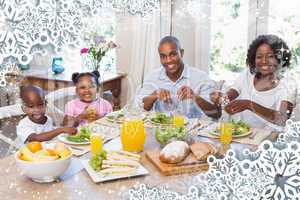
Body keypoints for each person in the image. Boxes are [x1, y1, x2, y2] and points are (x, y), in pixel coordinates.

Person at [210, 34, 297, 129]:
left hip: (270, 138)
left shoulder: (289, 84)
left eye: (270, 56)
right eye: (259, 56)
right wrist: (220, 98)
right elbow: (229, 96)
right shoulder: (247, 74)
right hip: (243, 133)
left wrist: (250, 105)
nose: (264, 61)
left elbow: (281, 119)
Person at [136, 36, 220, 119]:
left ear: (181, 53)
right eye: (163, 56)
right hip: (161, 130)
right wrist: (154, 95)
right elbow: (140, 109)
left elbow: (216, 114)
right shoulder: (152, 77)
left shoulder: (201, 77)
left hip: (192, 131)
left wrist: (195, 97)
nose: (168, 60)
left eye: (173, 54)